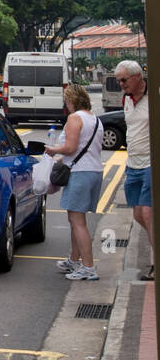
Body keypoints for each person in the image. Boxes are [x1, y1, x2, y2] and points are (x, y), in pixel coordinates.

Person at [46, 83, 105, 281]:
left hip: (80, 173)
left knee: (77, 222)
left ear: (72, 100)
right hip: (94, 171)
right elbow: (83, 149)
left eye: (66, 100)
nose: (65, 103)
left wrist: (53, 151)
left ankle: (88, 267)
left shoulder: (75, 118)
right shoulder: (95, 119)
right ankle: (74, 260)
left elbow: (70, 148)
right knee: (76, 220)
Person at [115, 60, 154, 281]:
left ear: (138, 76)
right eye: (118, 80)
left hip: (150, 161)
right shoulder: (127, 100)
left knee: (147, 213)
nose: (120, 84)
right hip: (133, 163)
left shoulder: (152, 97)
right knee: (139, 214)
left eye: (124, 79)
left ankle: (154, 263)